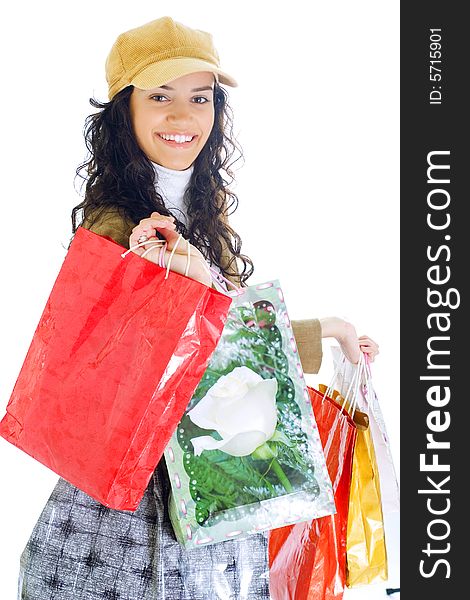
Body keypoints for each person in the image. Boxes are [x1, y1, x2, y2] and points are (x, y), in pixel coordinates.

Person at [17, 16, 379, 599]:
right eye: (160, 96)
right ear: (123, 111)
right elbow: (159, 365)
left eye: (199, 97)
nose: (183, 116)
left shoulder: (202, 214)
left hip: (207, 489)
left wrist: (326, 332)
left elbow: (226, 343)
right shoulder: (118, 223)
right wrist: (178, 280)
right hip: (141, 505)